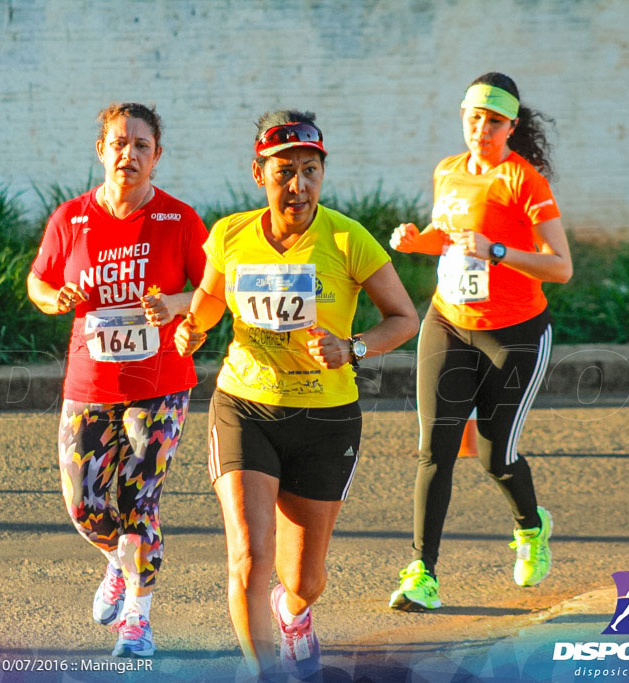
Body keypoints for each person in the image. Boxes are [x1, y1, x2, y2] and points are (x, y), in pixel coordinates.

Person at [175, 110, 419, 679]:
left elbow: (404, 317)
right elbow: (209, 300)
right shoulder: (231, 234)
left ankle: (294, 614)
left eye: (311, 171)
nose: (299, 185)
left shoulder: (345, 238)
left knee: (303, 580)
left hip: (325, 419)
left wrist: (353, 348)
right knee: (249, 557)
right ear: (259, 173)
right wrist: (194, 327)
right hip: (245, 406)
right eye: (285, 171)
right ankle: (264, 671)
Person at [27, 102, 208, 657]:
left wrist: (177, 308)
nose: (129, 154)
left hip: (160, 386)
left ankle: (138, 617)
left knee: (138, 502)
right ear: (101, 150)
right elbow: (37, 281)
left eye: (141, 146)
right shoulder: (71, 217)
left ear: (157, 157)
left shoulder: (179, 220)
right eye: (119, 143)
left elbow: (210, 295)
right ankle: (118, 563)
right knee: (83, 507)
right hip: (90, 382)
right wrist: (54, 300)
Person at [387, 72, 573, 611]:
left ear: (511, 125)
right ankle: (423, 572)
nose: (482, 129)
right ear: (463, 117)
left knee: (495, 456)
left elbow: (560, 267)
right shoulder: (448, 171)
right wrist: (419, 241)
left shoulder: (524, 181)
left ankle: (532, 527)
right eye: (474, 118)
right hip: (448, 323)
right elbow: (449, 237)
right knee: (434, 450)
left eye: (494, 121)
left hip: (515, 336)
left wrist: (498, 252)